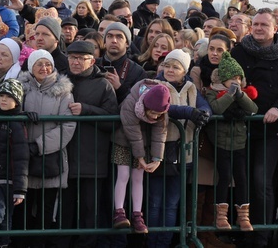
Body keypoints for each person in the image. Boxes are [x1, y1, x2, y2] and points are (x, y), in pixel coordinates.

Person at [230, 8, 278, 247]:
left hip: (270, 128)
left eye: (264, 25)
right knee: (241, 181)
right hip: (241, 125)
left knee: (262, 182)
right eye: (256, 24)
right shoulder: (239, 51)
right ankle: (243, 234)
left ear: (275, 28)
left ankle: (261, 236)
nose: (258, 28)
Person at [148, 49, 211, 248]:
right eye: (167, 65)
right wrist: (187, 111)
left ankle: (164, 244)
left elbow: (205, 108)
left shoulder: (191, 88)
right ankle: (151, 244)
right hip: (159, 152)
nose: (170, 70)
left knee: (172, 204)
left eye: (176, 66)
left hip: (184, 153)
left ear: (185, 70)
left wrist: (202, 114)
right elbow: (159, 107)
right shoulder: (153, 84)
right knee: (155, 202)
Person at [58, 41, 118, 247]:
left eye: (81, 58)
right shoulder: (60, 80)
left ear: (92, 60)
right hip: (64, 160)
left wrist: (86, 110)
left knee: (89, 212)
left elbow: (112, 120)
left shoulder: (103, 85)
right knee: (64, 213)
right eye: (72, 57)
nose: (75, 62)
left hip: (93, 161)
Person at [18, 49, 75, 247]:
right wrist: (21, 115)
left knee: (45, 211)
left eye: (47, 64)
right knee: (22, 212)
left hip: (49, 159)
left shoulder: (64, 91)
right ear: (31, 67)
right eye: (39, 64)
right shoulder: (21, 87)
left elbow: (67, 126)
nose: (44, 68)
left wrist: (39, 145)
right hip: (24, 159)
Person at [204, 52, 258, 233]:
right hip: (221, 142)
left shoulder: (243, 93)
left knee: (241, 178)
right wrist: (230, 94)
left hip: (240, 142)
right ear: (224, 79)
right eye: (232, 78)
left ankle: (243, 216)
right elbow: (217, 108)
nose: (236, 81)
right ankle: (221, 216)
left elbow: (253, 109)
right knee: (225, 177)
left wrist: (241, 95)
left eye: (238, 78)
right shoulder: (212, 91)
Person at [112, 82, 170, 234]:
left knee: (138, 177)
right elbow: (132, 131)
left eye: (159, 114)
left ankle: (137, 215)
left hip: (144, 144)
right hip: (123, 141)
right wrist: (140, 157)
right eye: (153, 113)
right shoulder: (131, 102)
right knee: (123, 175)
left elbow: (160, 132)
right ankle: (119, 212)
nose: (155, 117)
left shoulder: (161, 110)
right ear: (145, 105)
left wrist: (157, 158)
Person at [0, 79, 29, 248]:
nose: (3, 100)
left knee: (7, 219)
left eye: (9, 97)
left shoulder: (18, 123)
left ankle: (3, 244)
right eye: (1, 95)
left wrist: (20, 189)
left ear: (16, 101)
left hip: (11, 180)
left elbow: (21, 158)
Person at [98, 22, 147, 104]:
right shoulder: (92, 65)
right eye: (109, 36)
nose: (114, 41)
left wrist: (120, 88)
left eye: (119, 37)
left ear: (127, 43)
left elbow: (140, 103)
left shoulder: (137, 71)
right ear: (104, 42)